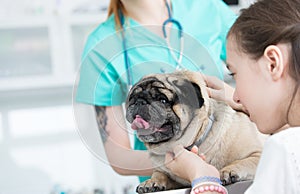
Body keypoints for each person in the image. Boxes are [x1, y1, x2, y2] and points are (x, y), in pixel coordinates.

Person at [76, 0, 236, 182]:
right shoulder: (100, 45)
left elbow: (262, 72)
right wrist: (170, 162)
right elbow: (119, 156)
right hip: (163, 183)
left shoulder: (208, 8)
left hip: (232, 168)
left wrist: (236, 98)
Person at [165, 0, 300, 193]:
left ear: (272, 63)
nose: (235, 97)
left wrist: (202, 177)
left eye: (234, 74)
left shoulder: (284, 150)